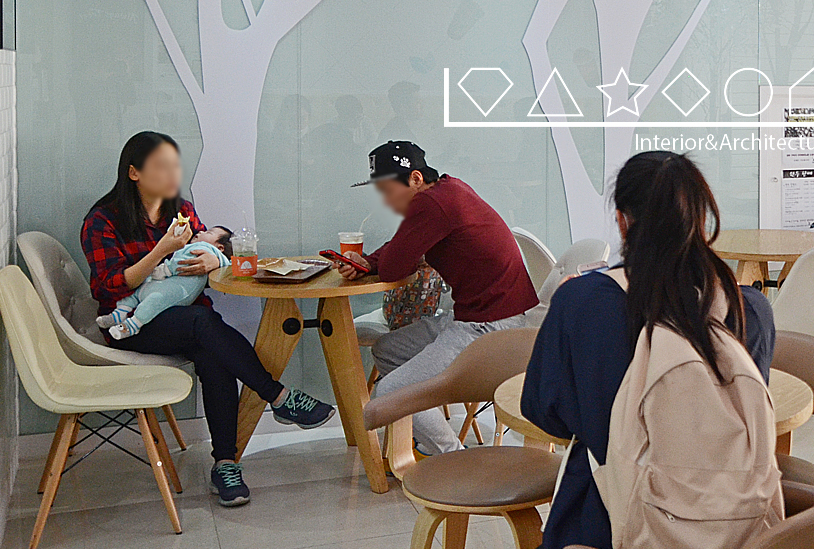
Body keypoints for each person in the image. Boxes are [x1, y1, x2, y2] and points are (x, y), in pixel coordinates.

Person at [515, 151, 776, 549]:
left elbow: (544, 412)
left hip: (607, 545)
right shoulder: (748, 307)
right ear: (701, 220)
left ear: (622, 221)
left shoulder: (582, 303)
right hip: (738, 545)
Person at [82, 132, 335, 508]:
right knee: (203, 325)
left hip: (187, 319)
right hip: (131, 324)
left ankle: (226, 464)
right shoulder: (103, 220)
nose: (172, 174)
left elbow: (209, 247)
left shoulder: (180, 211)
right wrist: (163, 250)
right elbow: (109, 286)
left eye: (175, 165)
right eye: (161, 166)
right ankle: (278, 396)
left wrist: (214, 258)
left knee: (212, 351)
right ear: (134, 173)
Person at [334, 140, 538, 455]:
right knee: (388, 350)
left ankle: (453, 456)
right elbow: (404, 245)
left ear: (415, 178)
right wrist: (368, 262)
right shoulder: (448, 190)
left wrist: (376, 263)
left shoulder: (431, 204)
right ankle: (435, 445)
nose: (386, 201)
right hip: (481, 316)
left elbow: (394, 268)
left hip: (489, 328)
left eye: (388, 190)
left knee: (389, 393)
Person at [96, 225, 233, 340]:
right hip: (141, 295)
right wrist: (161, 250)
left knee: (204, 325)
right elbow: (111, 283)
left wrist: (216, 262)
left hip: (172, 300)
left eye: (208, 232)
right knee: (203, 321)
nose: (201, 231)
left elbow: (185, 265)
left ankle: (131, 324)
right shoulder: (101, 222)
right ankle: (119, 315)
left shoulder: (184, 214)